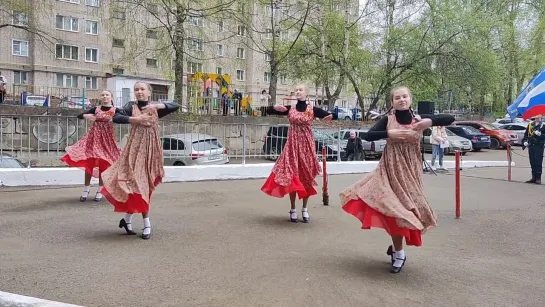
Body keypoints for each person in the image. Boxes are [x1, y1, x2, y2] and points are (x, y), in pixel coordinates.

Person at [339, 86, 455, 274]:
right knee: (395, 210)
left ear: (410, 99)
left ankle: (395, 249)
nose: (401, 100)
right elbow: (368, 135)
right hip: (390, 169)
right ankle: (399, 253)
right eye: (397, 98)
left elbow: (450, 119)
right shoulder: (388, 119)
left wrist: (428, 122)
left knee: (409, 209)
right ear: (392, 102)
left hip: (410, 170)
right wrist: (389, 134)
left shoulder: (419, 117)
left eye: (405, 96)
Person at [101, 82, 179, 240]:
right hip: (135, 152)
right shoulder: (131, 106)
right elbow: (115, 116)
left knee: (144, 185)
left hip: (151, 152)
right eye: (136, 89)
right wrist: (135, 119)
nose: (139, 92)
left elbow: (175, 105)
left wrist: (157, 106)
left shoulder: (155, 108)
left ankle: (127, 220)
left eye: (142, 89)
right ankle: (147, 224)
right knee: (137, 184)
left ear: (149, 92)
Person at [261, 84, 335, 223]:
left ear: (306, 93)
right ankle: (293, 208)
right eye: (296, 90)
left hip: (306, 146)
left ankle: (305, 208)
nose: (298, 92)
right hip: (292, 145)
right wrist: (274, 107)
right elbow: (270, 111)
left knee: (306, 176)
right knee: (293, 176)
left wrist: (330, 116)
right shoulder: (290, 108)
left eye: (301, 90)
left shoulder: (312, 109)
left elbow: (330, 115)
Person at [60, 91, 122, 202]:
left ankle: (100, 190)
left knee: (103, 164)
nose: (105, 97)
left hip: (107, 140)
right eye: (103, 95)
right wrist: (86, 115)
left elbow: (125, 117)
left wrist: (117, 118)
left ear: (111, 97)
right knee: (90, 163)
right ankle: (86, 189)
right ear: (100, 97)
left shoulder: (116, 110)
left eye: (107, 95)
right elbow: (80, 116)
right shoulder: (96, 109)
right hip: (93, 138)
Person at [522, 115, 545, 184]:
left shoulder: (543, 125)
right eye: (536, 117)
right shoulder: (530, 125)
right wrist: (525, 142)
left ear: (541, 117)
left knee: (538, 162)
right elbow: (526, 135)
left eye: (538, 117)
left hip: (539, 146)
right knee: (532, 162)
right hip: (531, 146)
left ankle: (538, 178)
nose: (537, 118)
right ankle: (533, 177)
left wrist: (540, 135)